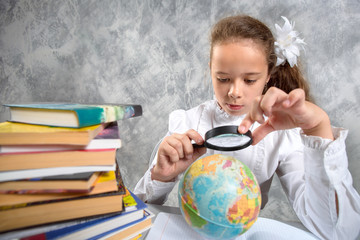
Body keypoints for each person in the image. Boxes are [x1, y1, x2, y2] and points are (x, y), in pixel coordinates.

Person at [134, 15, 360, 239]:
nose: (234, 92)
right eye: (222, 78)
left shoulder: (283, 134)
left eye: (249, 80)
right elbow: (135, 218)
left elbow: (338, 231)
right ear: (211, 70)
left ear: (269, 75)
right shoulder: (187, 123)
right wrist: (160, 177)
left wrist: (318, 129)